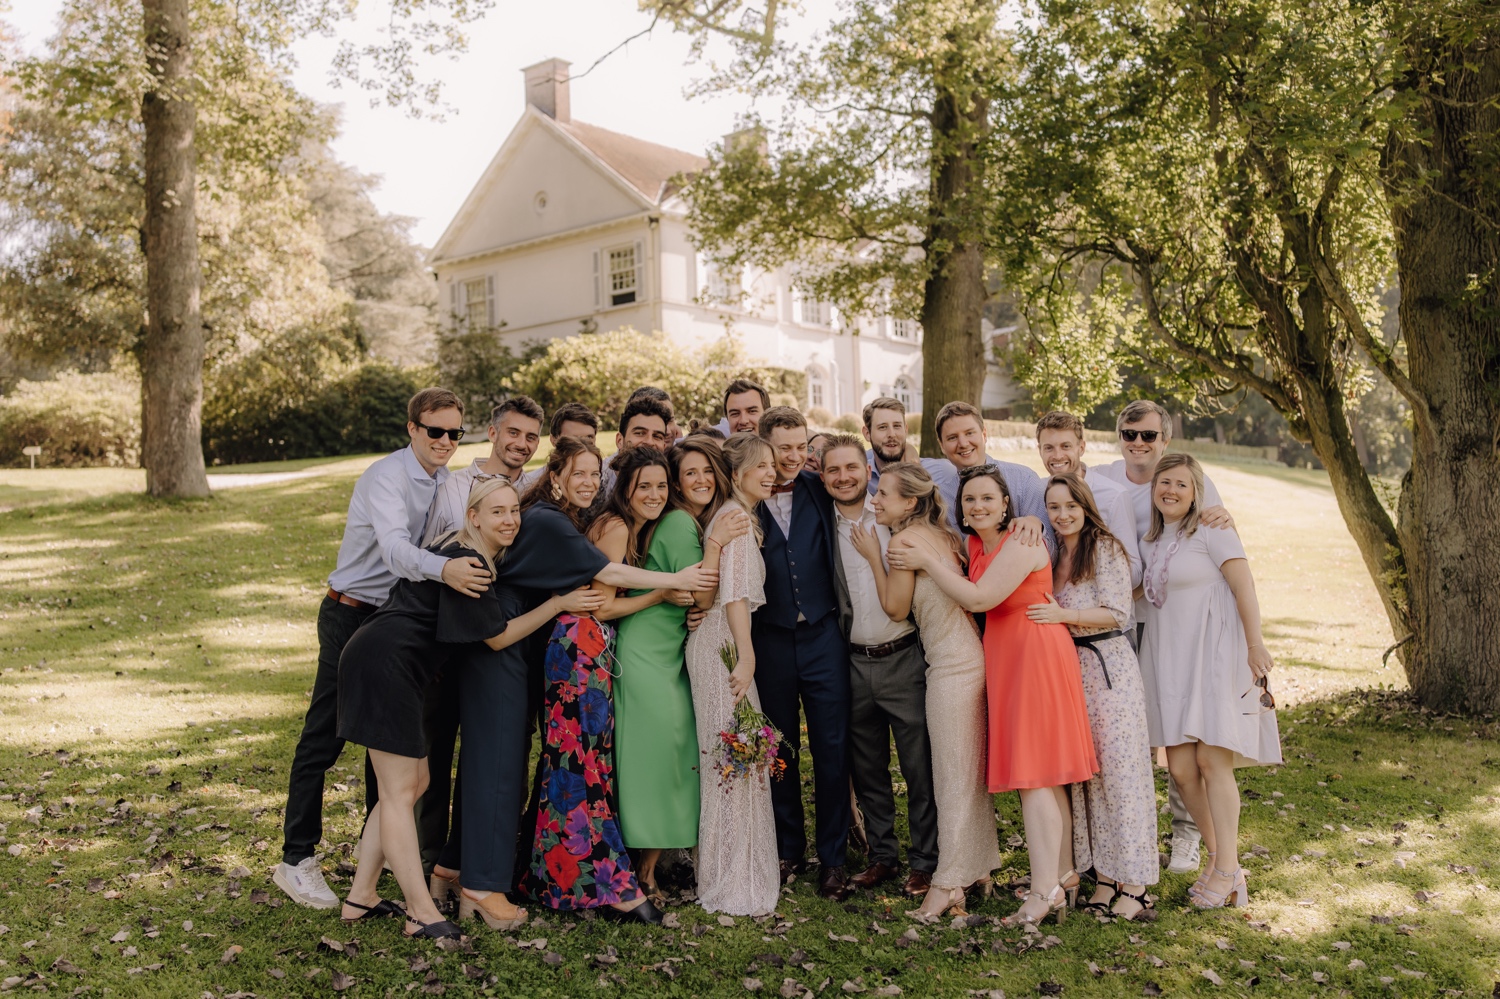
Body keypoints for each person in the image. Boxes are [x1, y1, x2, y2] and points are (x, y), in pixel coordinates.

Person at [337, 478, 605, 939]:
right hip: (384, 664)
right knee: (401, 791)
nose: (509, 520)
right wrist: (560, 602)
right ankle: (421, 912)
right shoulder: (470, 564)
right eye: (496, 512)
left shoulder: (461, 550)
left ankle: (360, 897)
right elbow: (498, 636)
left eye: (514, 511)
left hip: (400, 665)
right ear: (473, 517)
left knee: (410, 783)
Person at [274, 387, 490, 909]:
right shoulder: (385, 478)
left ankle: (380, 867)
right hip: (351, 612)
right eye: (434, 430)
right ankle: (295, 859)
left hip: (396, 623)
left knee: (390, 747)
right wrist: (446, 570)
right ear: (412, 428)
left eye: (454, 433)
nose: (445, 441)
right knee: (324, 737)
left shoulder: (446, 482)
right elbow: (395, 550)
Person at [512, 438, 716, 923]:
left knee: (576, 767)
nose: (655, 493)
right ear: (624, 487)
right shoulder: (618, 527)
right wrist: (667, 587)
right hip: (580, 647)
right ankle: (602, 884)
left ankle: (557, 878)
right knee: (578, 767)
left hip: (588, 649)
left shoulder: (626, 527)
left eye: (662, 485)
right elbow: (602, 604)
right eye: (643, 485)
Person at [889, 464, 1097, 927]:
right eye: (969, 500)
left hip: (1034, 655)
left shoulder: (1022, 541)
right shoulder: (977, 543)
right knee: (1042, 775)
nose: (978, 506)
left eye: (988, 498)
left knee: (1036, 777)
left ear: (1008, 505)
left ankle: (1043, 892)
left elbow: (980, 599)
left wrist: (929, 564)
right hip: (1007, 657)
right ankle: (1063, 877)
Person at [1090, 399, 1236, 877]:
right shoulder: (1103, 477)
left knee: (1183, 729)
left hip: (1176, 620)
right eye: (1129, 433)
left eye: (1148, 435)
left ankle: (1188, 837)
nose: (1137, 443)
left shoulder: (1187, 477)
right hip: (1121, 621)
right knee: (1142, 731)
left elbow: (1217, 532)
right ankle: (1125, 833)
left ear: (1165, 440)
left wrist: (1222, 514)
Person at [854, 461, 999, 918]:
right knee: (967, 774)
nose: (875, 499)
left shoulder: (903, 541)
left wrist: (873, 558)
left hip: (951, 668)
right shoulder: (945, 536)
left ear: (909, 502)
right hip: (968, 656)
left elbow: (896, 609)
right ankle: (979, 869)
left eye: (884, 494)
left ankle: (948, 883)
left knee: (950, 778)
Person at [1137, 454, 1281, 909]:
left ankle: (1225, 868)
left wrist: (1255, 644)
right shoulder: (1153, 539)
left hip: (1213, 654)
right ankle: (1223, 861)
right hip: (1169, 657)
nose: (1171, 491)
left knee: (1211, 762)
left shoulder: (1214, 529)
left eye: (1181, 483)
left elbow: (1244, 585)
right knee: (1179, 768)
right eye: (1164, 483)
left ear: (1197, 491)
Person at [608, 446, 748, 899]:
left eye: (709, 471)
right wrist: (715, 544)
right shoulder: (682, 523)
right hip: (649, 650)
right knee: (658, 757)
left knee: (666, 756)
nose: (700, 480)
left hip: (665, 648)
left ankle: (646, 867)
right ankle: (641, 872)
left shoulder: (681, 521)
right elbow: (701, 597)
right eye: (689, 473)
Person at [417, 396, 545, 873]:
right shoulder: (453, 488)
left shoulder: (534, 489)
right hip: (453, 631)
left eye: (531, 437)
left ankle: (466, 857)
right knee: (435, 747)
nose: (521, 443)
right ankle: (429, 856)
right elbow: (432, 553)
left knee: (491, 750)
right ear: (493, 433)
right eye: (514, 433)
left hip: (504, 638)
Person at [1026, 474, 1158, 920]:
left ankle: (1136, 885)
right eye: (1054, 507)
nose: (1062, 515)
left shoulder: (1105, 547)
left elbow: (1118, 611)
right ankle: (1105, 878)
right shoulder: (1057, 551)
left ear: (1085, 506)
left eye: (1070, 506)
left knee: (1122, 777)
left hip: (1108, 670)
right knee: (1090, 779)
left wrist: (1064, 616)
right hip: (1070, 673)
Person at [817, 436, 939, 898]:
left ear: (866, 469)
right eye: (833, 470)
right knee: (868, 769)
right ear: (822, 475)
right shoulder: (821, 524)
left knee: (918, 767)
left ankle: (925, 861)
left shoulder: (891, 517)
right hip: (852, 661)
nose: (844, 477)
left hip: (904, 656)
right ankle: (882, 856)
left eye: (852, 467)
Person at [752, 407, 853, 900]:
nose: (793, 457)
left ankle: (834, 858)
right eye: (784, 448)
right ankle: (788, 846)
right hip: (767, 640)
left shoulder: (819, 487)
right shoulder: (744, 498)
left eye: (800, 447)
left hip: (822, 636)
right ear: (764, 446)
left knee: (832, 748)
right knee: (780, 750)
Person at [685, 432, 781, 915]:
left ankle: (730, 865)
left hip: (720, 641)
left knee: (733, 755)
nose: (771, 472)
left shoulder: (736, 513)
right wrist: (747, 655)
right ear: (738, 471)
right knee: (733, 757)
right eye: (761, 466)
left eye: (772, 466)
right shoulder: (735, 517)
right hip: (724, 645)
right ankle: (730, 878)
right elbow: (735, 596)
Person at [1034, 411, 1140, 587]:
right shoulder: (1037, 491)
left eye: (1066, 446)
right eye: (1049, 448)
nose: (1058, 455)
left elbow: (1135, 574)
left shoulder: (1113, 495)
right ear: (1040, 450)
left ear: (1081, 447)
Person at [930, 401, 1053, 545]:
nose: (963, 443)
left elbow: (1051, 548)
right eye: (952, 438)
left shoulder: (1024, 479)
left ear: (984, 434)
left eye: (969, 433)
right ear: (942, 445)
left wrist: (1034, 530)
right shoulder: (941, 498)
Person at [515, 402, 599, 494]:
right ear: (553, 440)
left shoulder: (606, 478)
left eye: (589, 438)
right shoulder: (530, 486)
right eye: (574, 439)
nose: (583, 444)